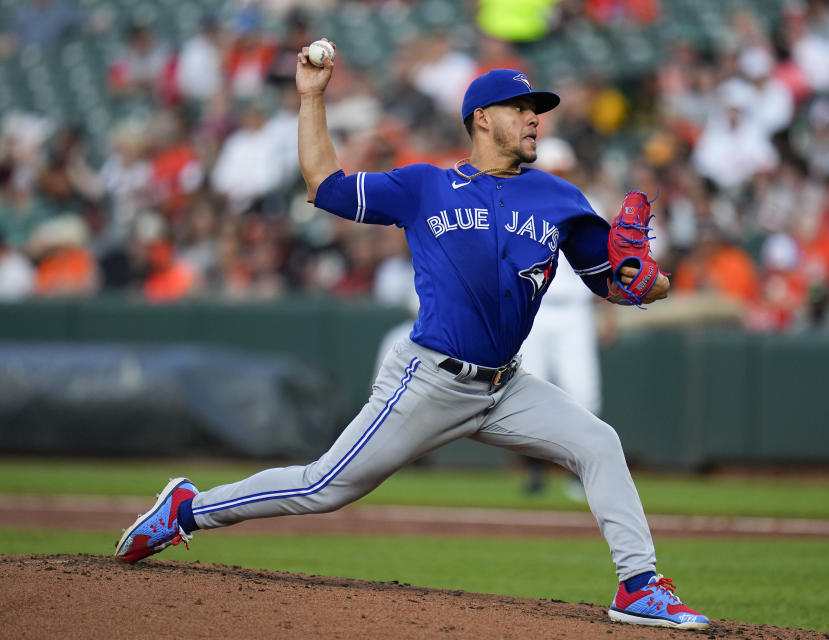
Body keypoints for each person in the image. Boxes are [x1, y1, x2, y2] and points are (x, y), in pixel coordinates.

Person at [114, 42, 709, 630]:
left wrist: (646, 279)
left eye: (538, 109)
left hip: (507, 387)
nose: (534, 118)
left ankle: (639, 586)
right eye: (520, 107)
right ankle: (187, 511)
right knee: (325, 486)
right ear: (482, 118)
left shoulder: (559, 198)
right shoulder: (424, 186)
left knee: (598, 442)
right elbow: (325, 184)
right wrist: (310, 99)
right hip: (429, 380)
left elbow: (619, 283)